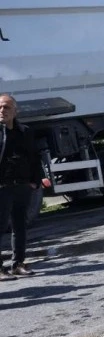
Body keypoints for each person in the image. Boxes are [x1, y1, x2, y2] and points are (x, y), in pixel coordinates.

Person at [0, 94, 44, 280]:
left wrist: (36, 180)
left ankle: (18, 264)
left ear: (15, 111)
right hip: (2, 186)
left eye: (7, 107)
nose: (2, 111)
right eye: (0, 107)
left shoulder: (25, 131)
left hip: (22, 186)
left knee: (20, 226)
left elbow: (34, 157)